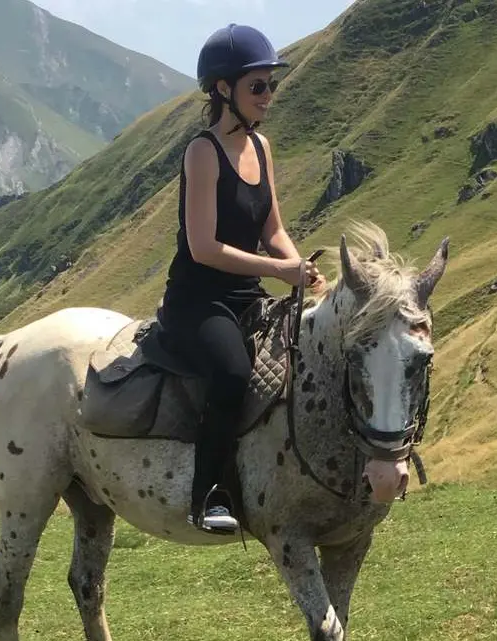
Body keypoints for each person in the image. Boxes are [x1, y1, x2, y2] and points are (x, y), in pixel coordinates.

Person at [160, 23, 325, 534]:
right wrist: (279, 270)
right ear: (223, 89)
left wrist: (305, 277)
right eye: (258, 86)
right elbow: (203, 248)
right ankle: (207, 494)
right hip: (197, 302)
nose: (268, 96)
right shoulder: (202, 153)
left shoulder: (262, 147)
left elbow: (272, 227)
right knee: (232, 373)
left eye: (271, 85)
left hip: (246, 295)